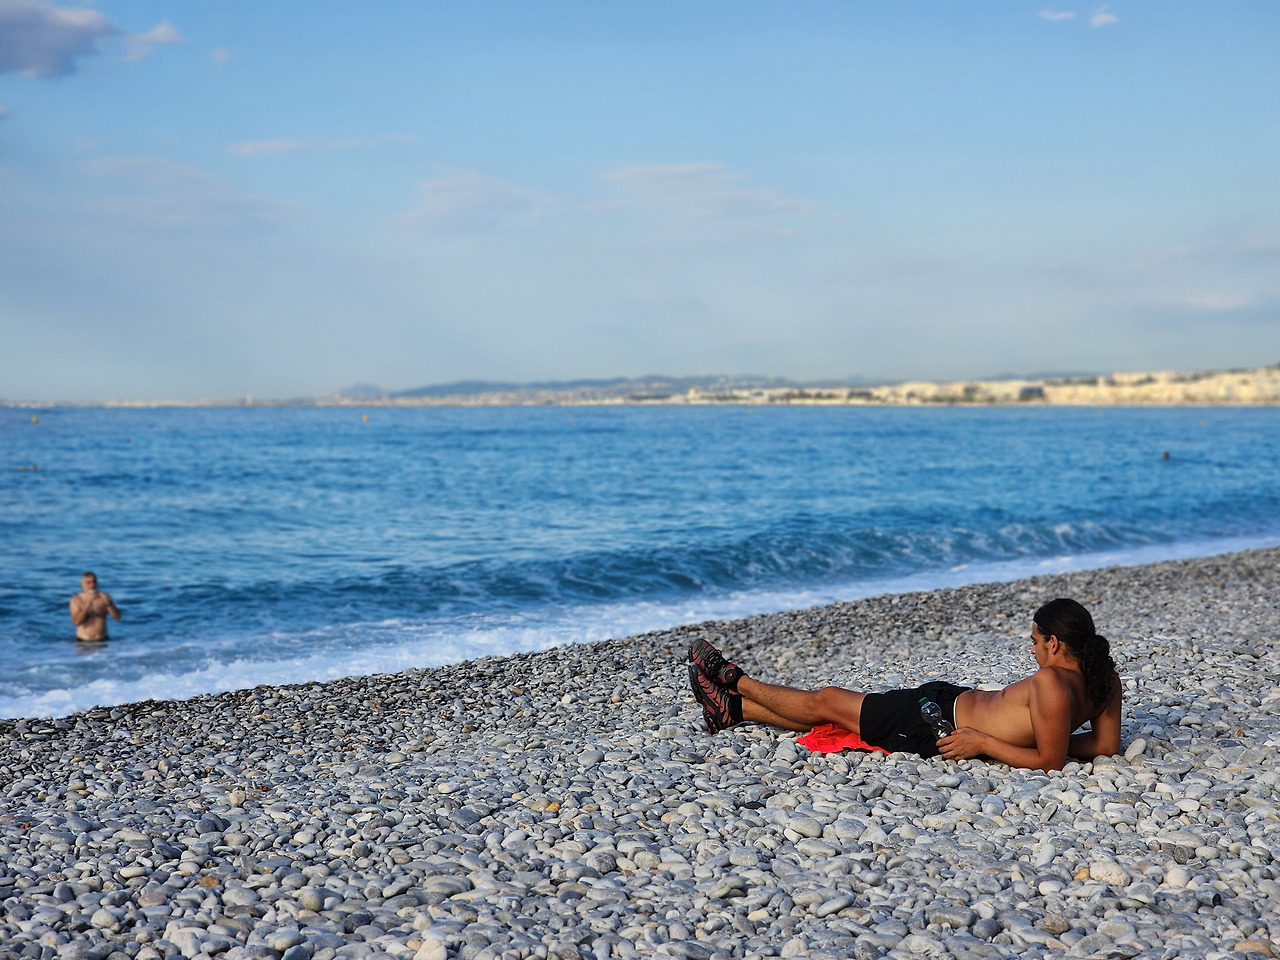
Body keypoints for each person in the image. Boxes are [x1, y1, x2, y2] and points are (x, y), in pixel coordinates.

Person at [687, 598, 1121, 772]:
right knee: (842, 713)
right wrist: (1049, 738)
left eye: (1035, 641)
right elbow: (1103, 746)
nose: (1032, 650)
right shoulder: (1105, 678)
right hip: (947, 701)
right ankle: (732, 711)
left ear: (1054, 642)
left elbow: (1049, 761)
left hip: (934, 724)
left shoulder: (1050, 682)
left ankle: (733, 679)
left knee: (828, 702)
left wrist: (984, 743)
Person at [69, 571, 121, 641]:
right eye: (88, 582)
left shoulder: (105, 597)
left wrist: (109, 604)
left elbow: (117, 617)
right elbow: (76, 622)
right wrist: (87, 605)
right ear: (82, 584)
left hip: (103, 639)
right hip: (83, 640)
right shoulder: (76, 599)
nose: (92, 585)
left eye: (94, 582)